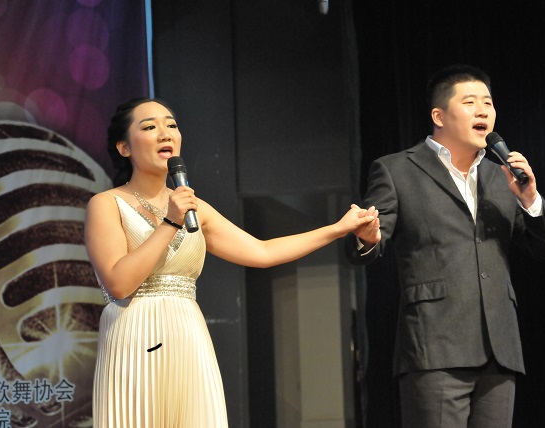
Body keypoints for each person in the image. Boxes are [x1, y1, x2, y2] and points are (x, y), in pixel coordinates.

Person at [84, 98, 380, 427]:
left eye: (171, 125)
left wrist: (338, 228)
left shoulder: (194, 207)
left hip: (187, 336)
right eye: (150, 127)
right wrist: (170, 222)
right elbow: (118, 283)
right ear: (124, 147)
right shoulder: (107, 204)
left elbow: (263, 252)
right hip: (134, 337)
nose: (165, 133)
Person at [346, 65, 545, 427]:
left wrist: (530, 199)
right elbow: (363, 247)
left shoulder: (502, 176)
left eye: (488, 103)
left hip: (500, 351)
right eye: (470, 102)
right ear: (439, 116)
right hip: (434, 348)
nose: (483, 111)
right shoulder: (397, 170)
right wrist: (367, 237)